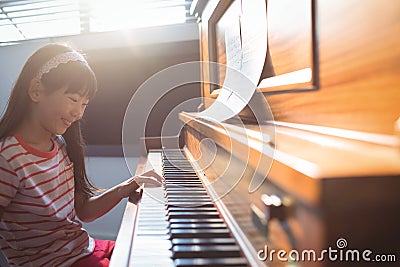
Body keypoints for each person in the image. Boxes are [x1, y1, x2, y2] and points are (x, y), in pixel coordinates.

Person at [0, 43, 143, 267]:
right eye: (73, 99)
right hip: (60, 263)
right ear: (36, 91)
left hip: (83, 249)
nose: (78, 112)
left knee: (144, 251)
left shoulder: (59, 145)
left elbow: (83, 211)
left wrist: (123, 189)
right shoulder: (8, 157)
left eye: (84, 104)